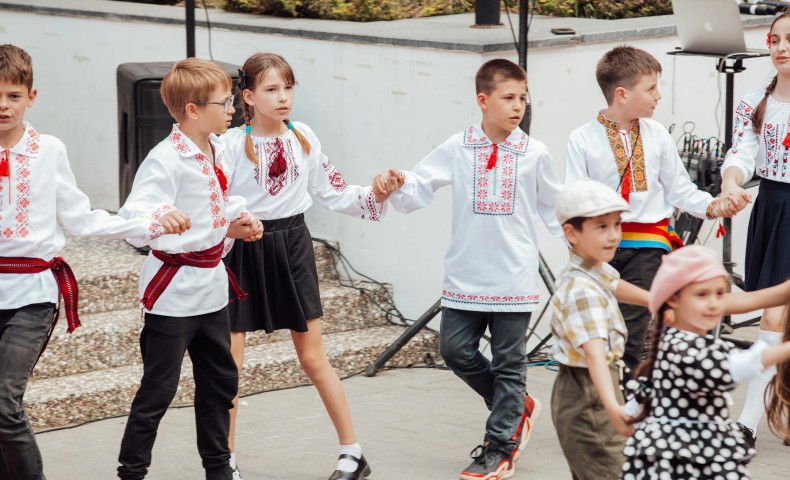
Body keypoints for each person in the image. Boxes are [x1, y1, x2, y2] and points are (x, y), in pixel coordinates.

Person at [0, 44, 187, 480]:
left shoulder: (48, 150)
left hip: (31, 294)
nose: (2, 105)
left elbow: (81, 218)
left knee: (3, 405)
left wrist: (149, 222)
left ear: (32, 96)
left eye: (12, 95)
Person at [220, 52, 397, 480]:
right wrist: (229, 228)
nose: (283, 97)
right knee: (230, 365)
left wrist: (378, 193)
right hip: (244, 249)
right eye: (271, 89)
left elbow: (335, 192)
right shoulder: (226, 145)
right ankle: (223, 462)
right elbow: (216, 203)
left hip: (293, 248)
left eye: (288, 87)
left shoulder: (305, 137)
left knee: (313, 358)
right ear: (248, 95)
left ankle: (353, 454)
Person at [384, 58, 559, 480]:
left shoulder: (534, 153)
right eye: (508, 98)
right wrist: (394, 184)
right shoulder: (458, 147)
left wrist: (592, 235)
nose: (518, 106)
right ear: (483, 100)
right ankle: (513, 404)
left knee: (509, 364)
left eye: (522, 98)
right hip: (465, 276)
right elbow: (419, 183)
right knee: (455, 351)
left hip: (514, 277)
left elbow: (557, 206)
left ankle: (500, 448)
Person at [115, 58, 262, 480]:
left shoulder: (217, 147)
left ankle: (218, 468)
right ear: (193, 110)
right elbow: (134, 215)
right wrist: (161, 216)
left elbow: (215, 210)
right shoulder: (165, 159)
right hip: (173, 295)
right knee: (157, 392)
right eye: (224, 102)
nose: (232, 108)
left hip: (211, 289)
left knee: (219, 384)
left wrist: (236, 224)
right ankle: (131, 472)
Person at [565, 45, 746, 378]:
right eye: (650, 88)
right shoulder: (581, 139)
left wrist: (713, 204)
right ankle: (607, 405)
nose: (658, 96)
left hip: (647, 246)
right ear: (621, 94)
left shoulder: (657, 133)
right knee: (598, 330)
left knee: (634, 336)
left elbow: (679, 189)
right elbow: (575, 200)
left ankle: (630, 410)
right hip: (600, 250)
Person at [621, 245, 790, 480]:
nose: (713, 303)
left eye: (720, 294)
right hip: (685, 461)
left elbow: (639, 402)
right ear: (672, 302)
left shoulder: (670, 343)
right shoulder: (684, 348)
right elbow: (738, 366)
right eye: (702, 295)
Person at [720, 11, 790, 448]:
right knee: (773, 312)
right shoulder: (754, 101)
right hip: (776, 205)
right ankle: (747, 421)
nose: (781, 47)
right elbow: (742, 153)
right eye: (775, 39)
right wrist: (731, 181)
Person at [549, 179, 649, 480]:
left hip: (587, 390)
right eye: (601, 227)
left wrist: (657, 300)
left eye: (617, 225)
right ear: (571, 233)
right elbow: (594, 356)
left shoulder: (590, 268)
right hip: (588, 395)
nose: (614, 236)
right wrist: (612, 407)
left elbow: (613, 284)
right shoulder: (582, 289)